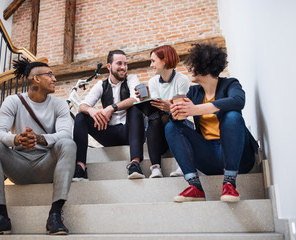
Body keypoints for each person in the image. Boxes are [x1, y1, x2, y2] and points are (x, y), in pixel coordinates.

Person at [0, 59, 76, 235]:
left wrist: (40, 139)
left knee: (68, 143)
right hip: (19, 165)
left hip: (47, 165)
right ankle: (1, 218)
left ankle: (55, 215)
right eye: (50, 74)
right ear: (36, 79)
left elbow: (66, 134)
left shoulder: (59, 105)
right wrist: (17, 140)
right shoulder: (13, 101)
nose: (54, 78)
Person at [165, 43, 258, 202]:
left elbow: (238, 101)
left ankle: (229, 183)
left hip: (238, 157)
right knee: (171, 127)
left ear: (204, 66)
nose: (190, 69)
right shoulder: (194, 92)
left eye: (193, 65)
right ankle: (195, 187)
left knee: (233, 116)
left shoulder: (230, 84)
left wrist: (196, 110)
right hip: (208, 156)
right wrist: (174, 111)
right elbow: (179, 117)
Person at [73, 50, 145, 181]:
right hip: (109, 134)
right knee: (81, 117)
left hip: (130, 132)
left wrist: (112, 108)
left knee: (136, 109)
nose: (123, 67)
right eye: (119, 63)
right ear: (109, 66)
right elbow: (82, 106)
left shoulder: (131, 79)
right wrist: (91, 111)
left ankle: (135, 164)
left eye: (125, 64)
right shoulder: (101, 85)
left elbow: (136, 99)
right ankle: (80, 168)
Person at [136, 45, 189, 178]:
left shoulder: (182, 80)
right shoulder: (153, 82)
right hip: (158, 134)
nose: (151, 65)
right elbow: (156, 107)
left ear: (164, 60)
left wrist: (169, 106)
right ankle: (155, 168)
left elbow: (181, 109)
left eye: (153, 61)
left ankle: (181, 164)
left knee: (169, 116)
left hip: (178, 126)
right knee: (154, 116)